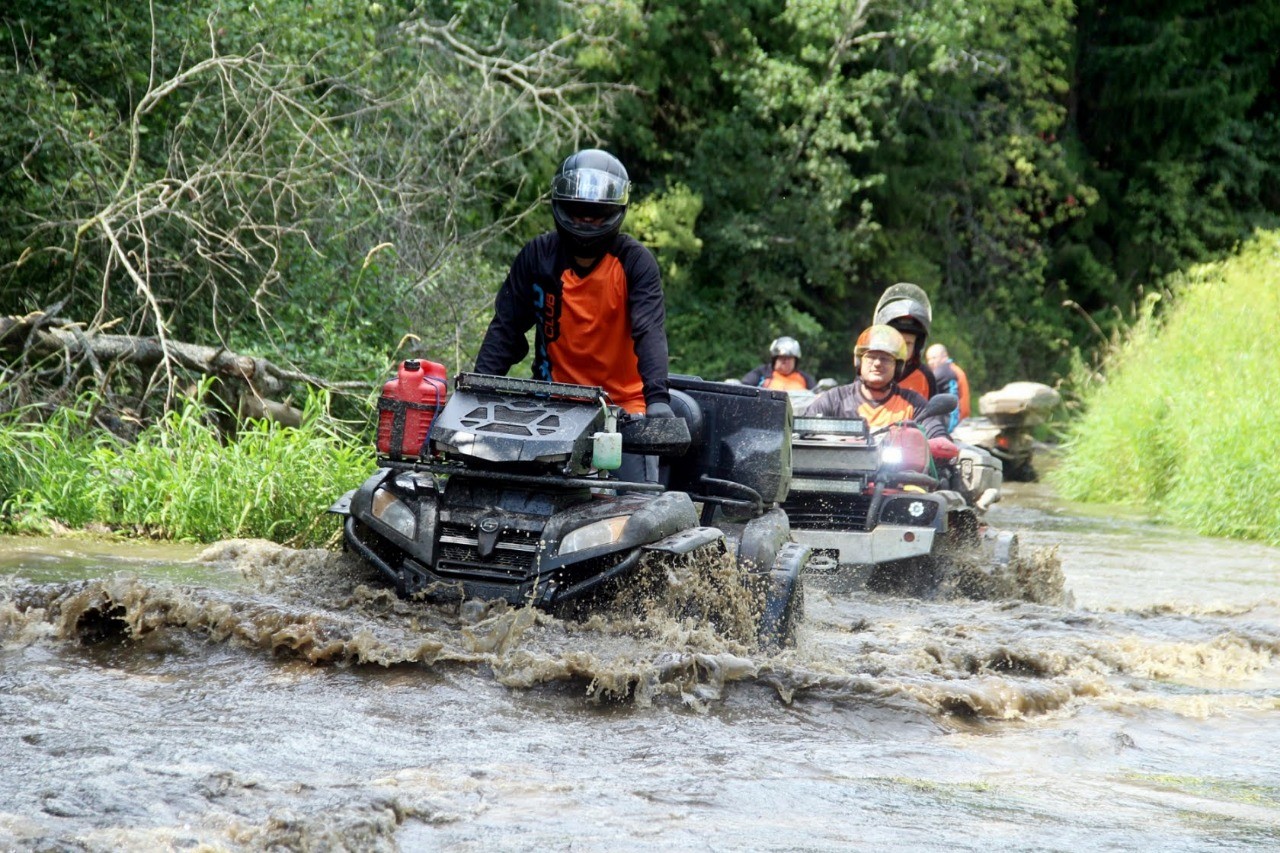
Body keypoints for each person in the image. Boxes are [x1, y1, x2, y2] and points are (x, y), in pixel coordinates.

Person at [474, 148, 672, 482]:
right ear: (561, 207)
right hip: (551, 407)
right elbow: (505, 329)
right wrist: (476, 392)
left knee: (637, 510)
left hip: (623, 411)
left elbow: (649, 331)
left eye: (596, 213)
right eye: (578, 211)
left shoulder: (635, 263)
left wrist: (658, 402)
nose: (586, 220)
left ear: (614, 212)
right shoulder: (537, 257)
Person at [805, 325, 948, 439]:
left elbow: (937, 435)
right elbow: (801, 429)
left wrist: (940, 443)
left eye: (886, 358)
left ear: (898, 366)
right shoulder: (835, 399)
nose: (878, 363)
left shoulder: (914, 404)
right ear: (859, 362)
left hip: (898, 475)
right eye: (871, 357)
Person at [873, 283, 938, 401]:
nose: (902, 348)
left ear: (917, 346)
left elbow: (935, 418)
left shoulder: (925, 377)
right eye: (896, 341)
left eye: (908, 343)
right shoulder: (872, 371)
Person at [741, 336, 816, 390]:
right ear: (774, 359)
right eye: (781, 357)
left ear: (795, 360)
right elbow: (743, 387)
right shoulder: (762, 373)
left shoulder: (806, 379)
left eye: (789, 358)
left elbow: (817, 396)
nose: (785, 361)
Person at [926, 343, 971, 431]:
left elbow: (924, 386)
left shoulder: (945, 370)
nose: (930, 362)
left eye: (934, 358)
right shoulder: (954, 369)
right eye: (928, 359)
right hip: (962, 420)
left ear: (945, 356)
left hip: (952, 424)